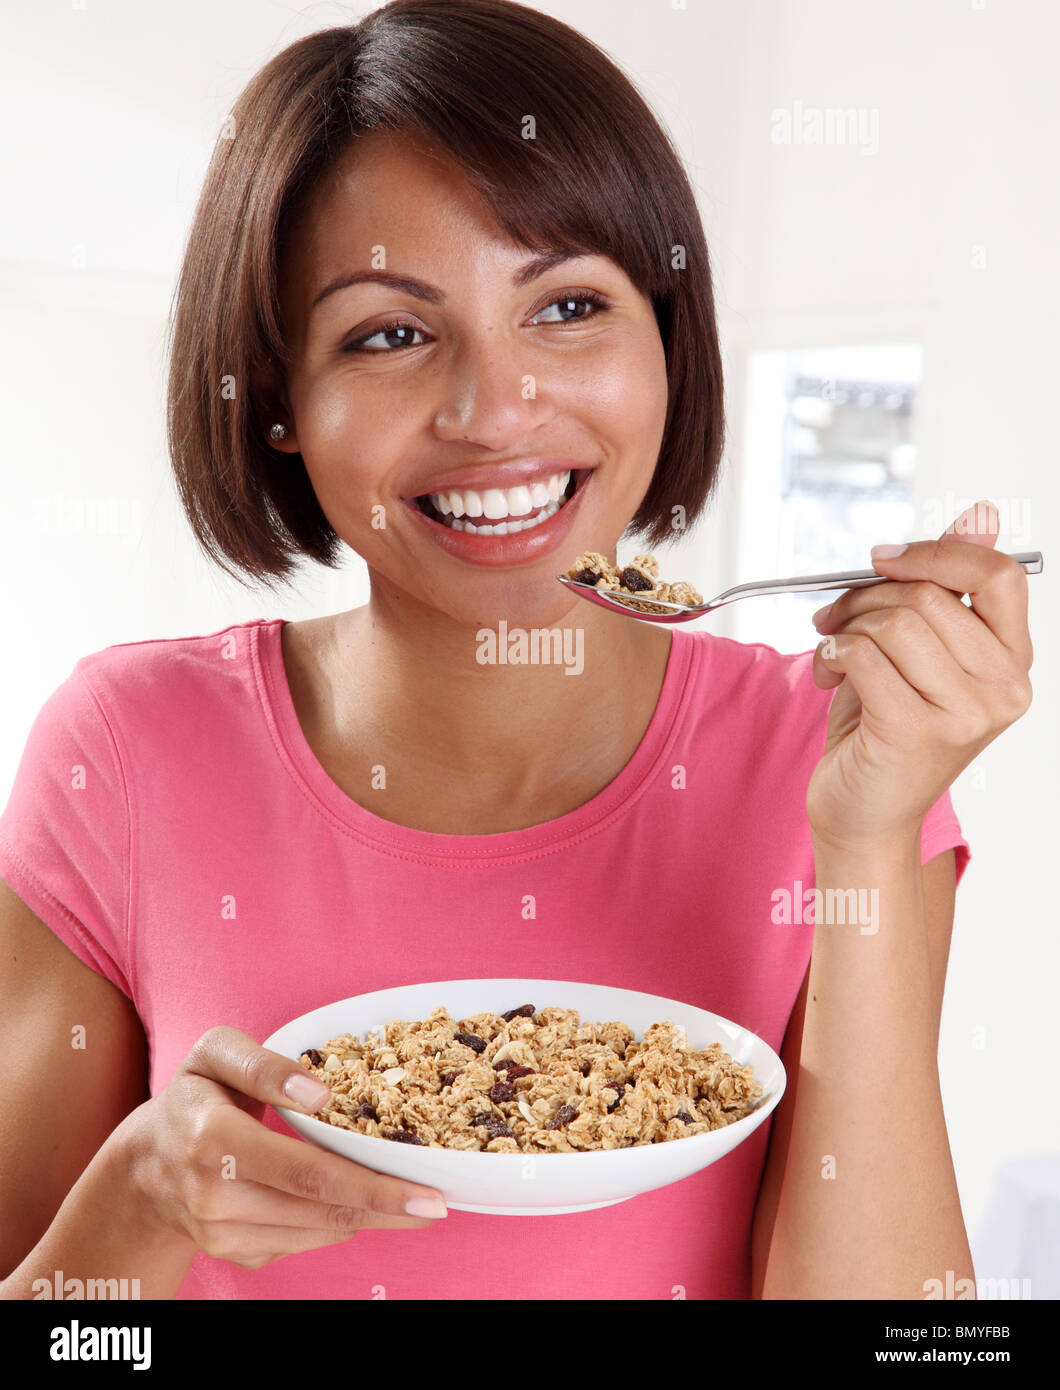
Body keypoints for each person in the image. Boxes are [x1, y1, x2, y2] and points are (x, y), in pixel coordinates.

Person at [0, 0, 1033, 1301]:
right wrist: (135, 1218)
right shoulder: (125, 751)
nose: (495, 411)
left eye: (568, 306)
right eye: (388, 332)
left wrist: (869, 843)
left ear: (668, 336)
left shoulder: (832, 758)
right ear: (276, 401)